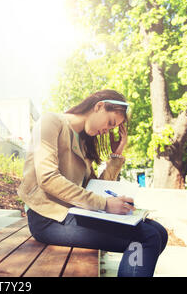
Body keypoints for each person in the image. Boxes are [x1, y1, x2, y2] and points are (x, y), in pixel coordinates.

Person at [17, 89, 168, 277]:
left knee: (159, 232)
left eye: (113, 128)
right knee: (146, 237)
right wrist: (105, 204)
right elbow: (47, 178)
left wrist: (117, 155)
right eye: (110, 122)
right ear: (99, 106)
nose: (108, 130)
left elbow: (95, 188)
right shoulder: (51, 121)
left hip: (72, 213)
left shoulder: (84, 141)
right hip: (47, 218)